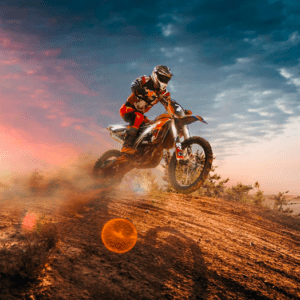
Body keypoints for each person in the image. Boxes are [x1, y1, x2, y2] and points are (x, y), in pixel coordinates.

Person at [119, 65, 174, 155]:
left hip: (141, 114)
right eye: (162, 77)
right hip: (128, 109)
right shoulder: (145, 79)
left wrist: (178, 113)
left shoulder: (164, 93)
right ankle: (126, 146)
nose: (164, 81)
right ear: (155, 75)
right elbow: (133, 86)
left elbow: (169, 104)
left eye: (166, 79)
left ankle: (142, 151)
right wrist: (145, 91)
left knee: (153, 127)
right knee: (138, 117)